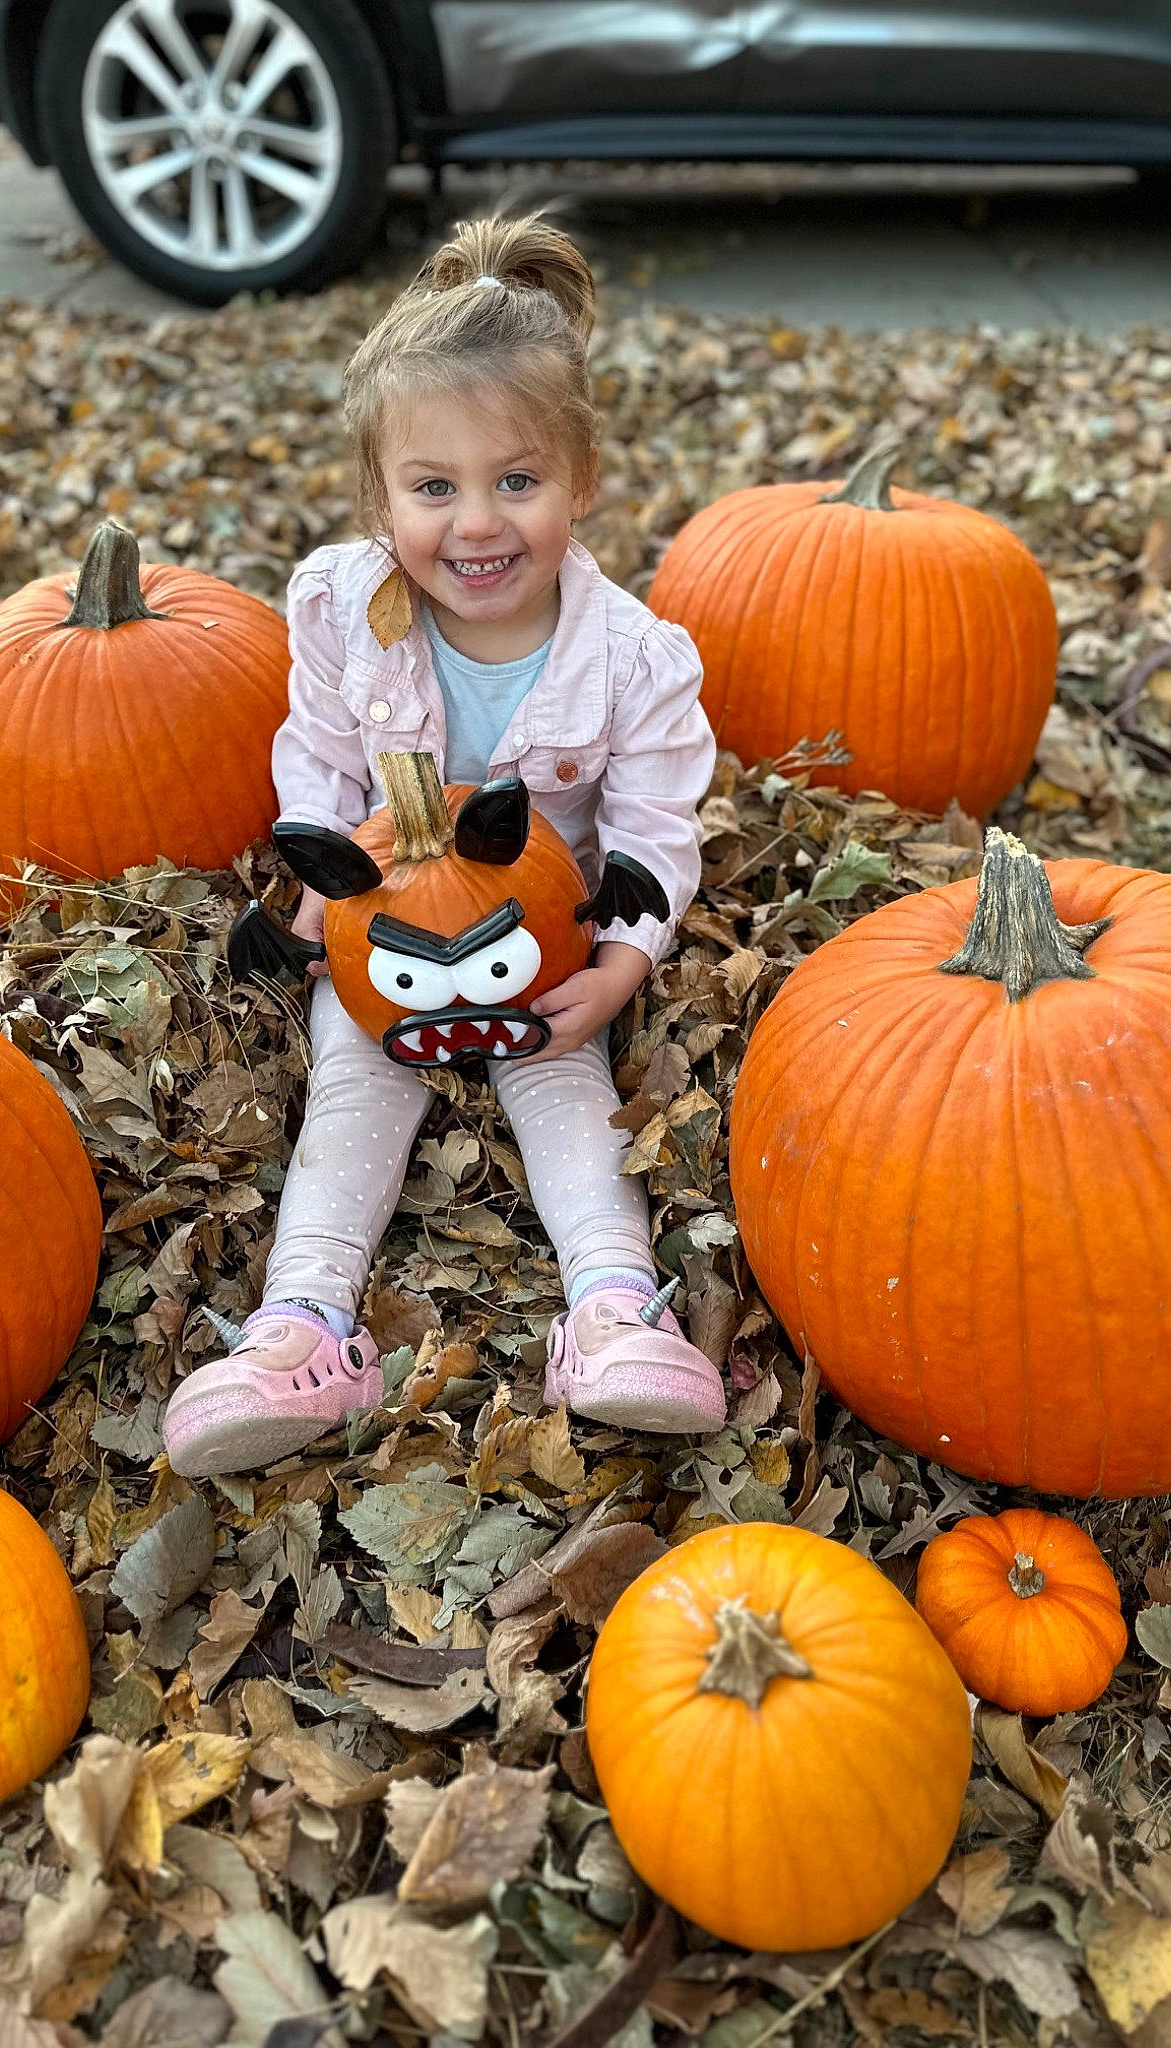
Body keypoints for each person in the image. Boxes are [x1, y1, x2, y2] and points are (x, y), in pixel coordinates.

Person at [164, 213, 725, 1480]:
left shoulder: (634, 659)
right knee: (353, 1080)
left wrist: (621, 968)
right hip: (384, 928)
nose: (477, 524)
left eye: (517, 481)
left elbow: (653, 825)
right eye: (434, 489)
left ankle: (615, 1307)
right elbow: (319, 755)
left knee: (563, 1082)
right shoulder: (340, 608)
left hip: (539, 936)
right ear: (382, 495)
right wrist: (320, 896)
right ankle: (303, 1326)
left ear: (582, 480)